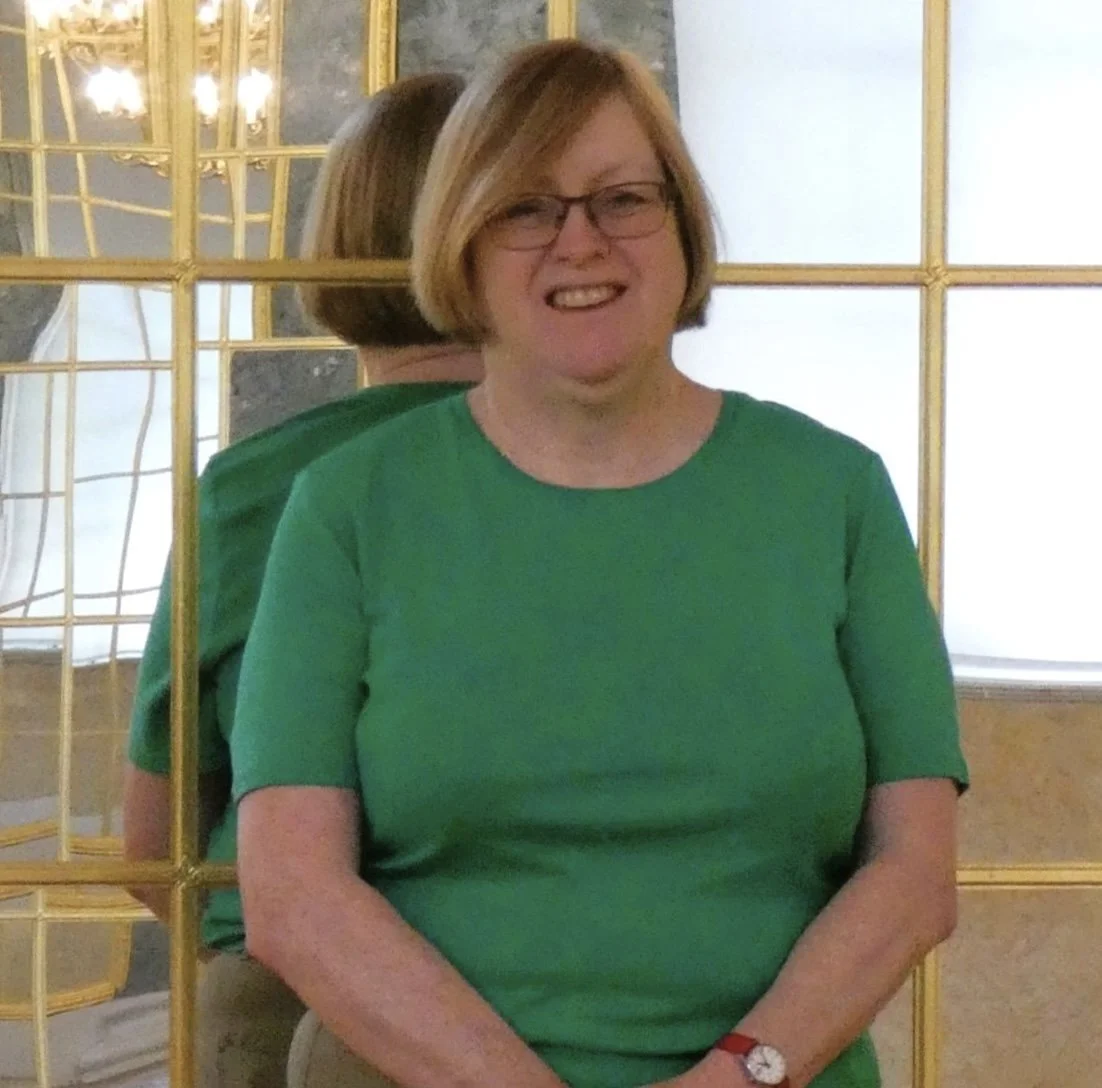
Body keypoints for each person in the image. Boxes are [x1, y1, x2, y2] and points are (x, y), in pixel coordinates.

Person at [232, 40, 968, 1088]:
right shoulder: (347, 507)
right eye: (525, 208)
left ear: (682, 227)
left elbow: (913, 873)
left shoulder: (835, 491)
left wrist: (738, 1075)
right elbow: (291, 895)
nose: (579, 241)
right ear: (460, 244)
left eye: (623, 199)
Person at [121, 72, 480, 1087]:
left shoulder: (247, 491)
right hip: (539, 985)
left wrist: (269, 931)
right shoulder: (616, 477)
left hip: (271, 990)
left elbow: (152, 839)